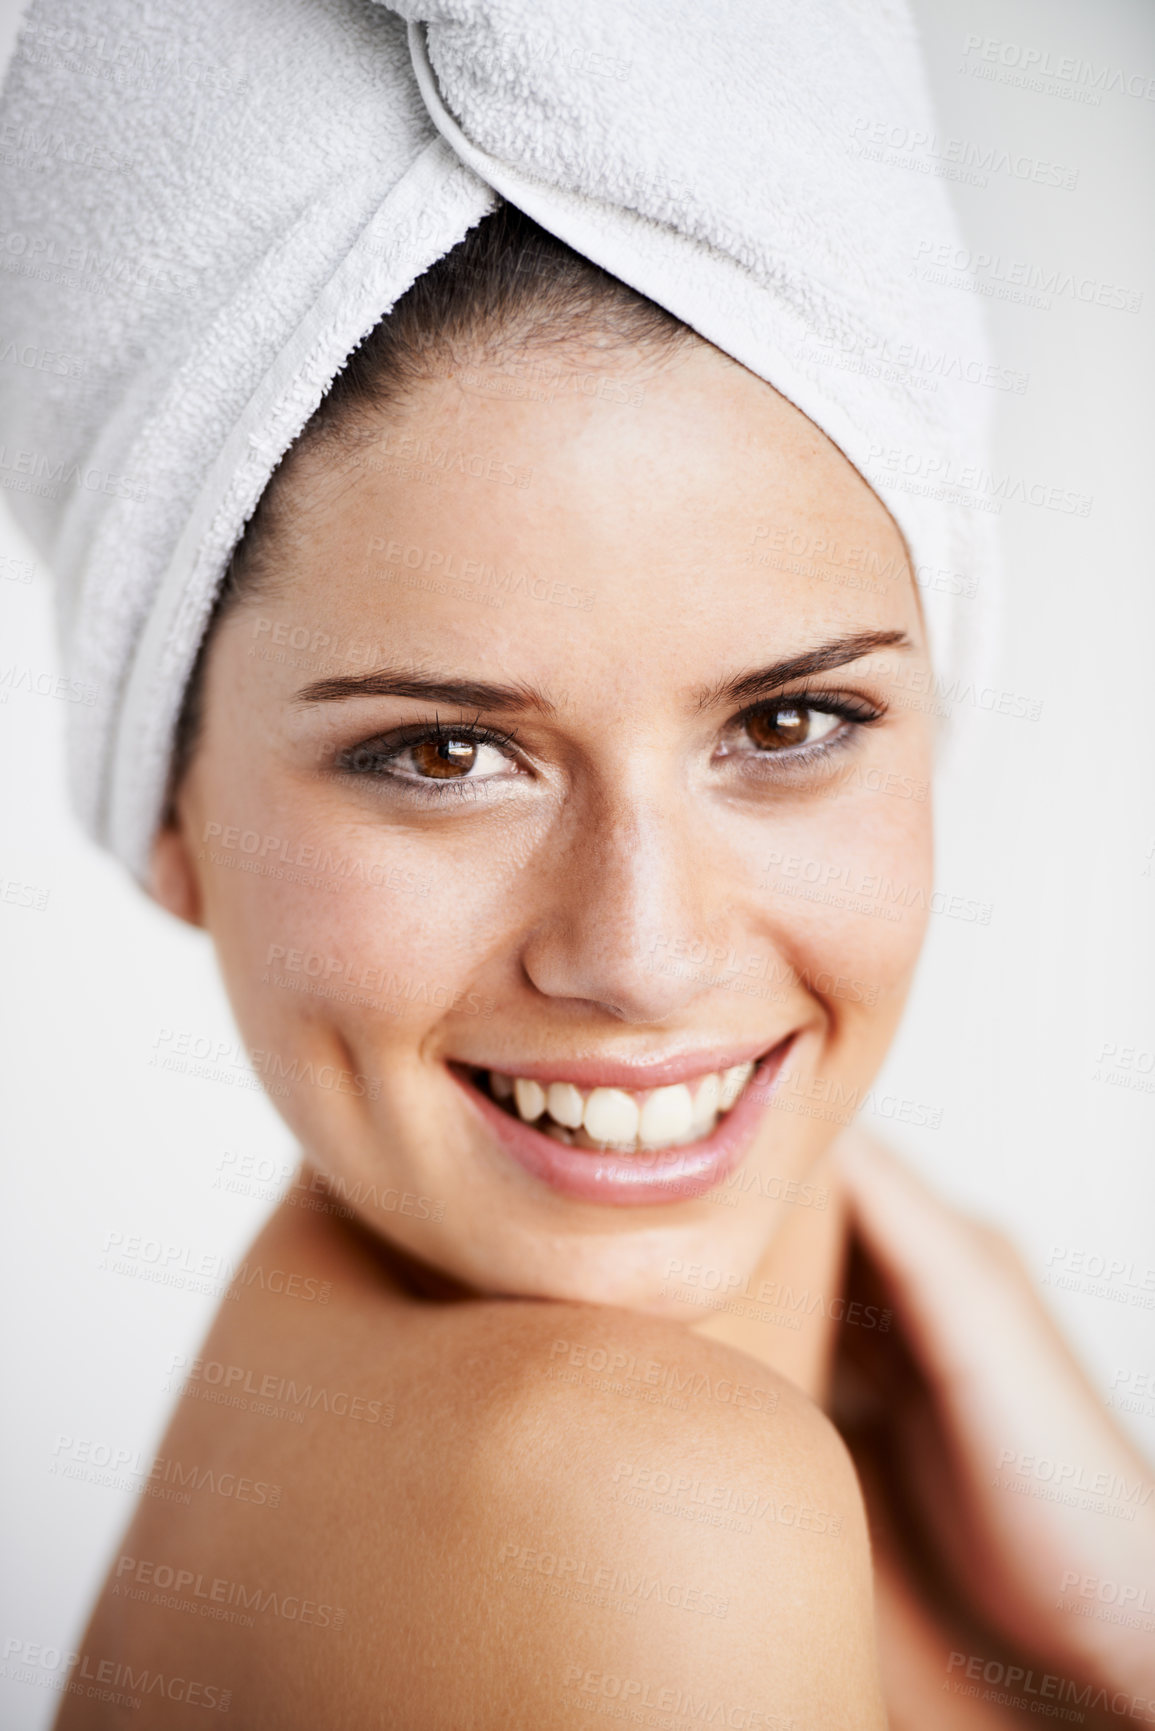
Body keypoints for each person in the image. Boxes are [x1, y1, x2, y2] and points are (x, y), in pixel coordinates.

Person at [50, 205, 1155, 1729]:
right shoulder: (627, 1511)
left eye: (788, 724)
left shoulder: (881, 1434)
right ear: (171, 811)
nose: (644, 955)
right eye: (441, 754)